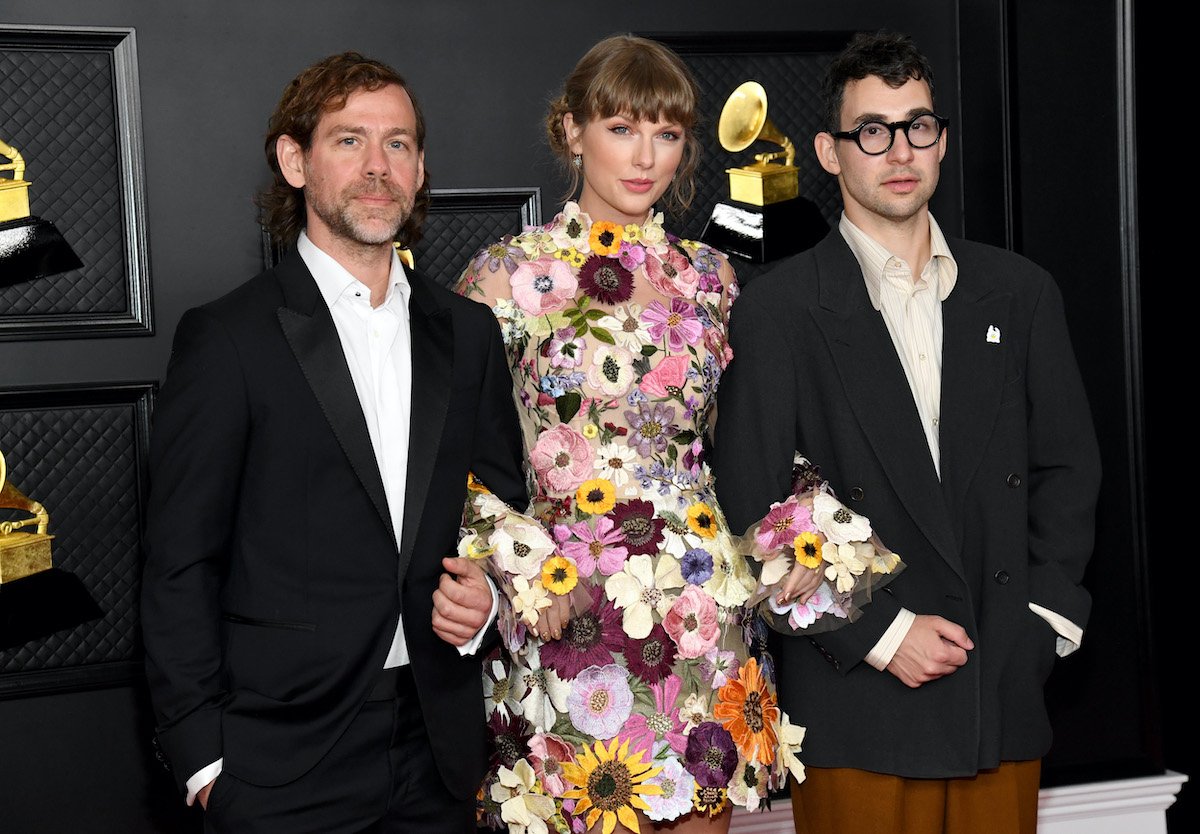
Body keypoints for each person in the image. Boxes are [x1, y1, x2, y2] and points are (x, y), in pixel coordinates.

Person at [456, 35, 898, 834]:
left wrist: (805, 539)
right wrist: (522, 560)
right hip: (571, 612)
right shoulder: (502, 276)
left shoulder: (710, 278)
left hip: (701, 611)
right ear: (571, 131)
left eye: (667, 134)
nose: (646, 156)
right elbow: (447, 458)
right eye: (623, 128)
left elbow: (747, 442)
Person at [714, 31, 1101, 834]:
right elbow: (752, 503)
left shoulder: (1019, 293)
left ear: (942, 141)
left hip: (998, 683)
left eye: (918, 126)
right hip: (860, 700)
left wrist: (1041, 623)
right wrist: (883, 635)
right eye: (872, 131)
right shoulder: (779, 309)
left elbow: (1068, 470)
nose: (899, 151)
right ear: (829, 151)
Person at [140, 52, 526, 833]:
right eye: (349, 141)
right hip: (279, 757)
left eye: (399, 144)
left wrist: (488, 597)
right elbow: (180, 561)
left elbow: (498, 507)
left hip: (437, 744)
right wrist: (204, 762)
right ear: (295, 160)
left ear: (420, 169)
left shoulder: (469, 332)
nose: (378, 167)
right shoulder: (228, 338)